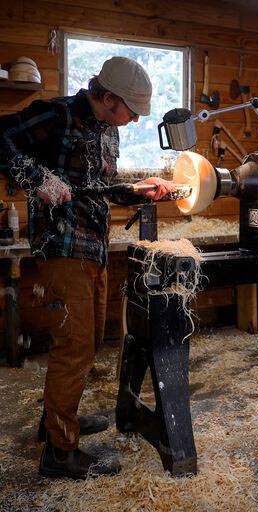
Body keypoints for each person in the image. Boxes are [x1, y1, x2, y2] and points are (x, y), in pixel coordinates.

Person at [0, 56, 175, 479]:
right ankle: (60, 454)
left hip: (94, 247)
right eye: (130, 112)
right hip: (62, 246)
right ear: (108, 96)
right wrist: (36, 177)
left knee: (89, 340)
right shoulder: (56, 113)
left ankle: (55, 422)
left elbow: (99, 189)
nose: (133, 121)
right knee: (75, 347)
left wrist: (137, 192)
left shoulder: (108, 131)